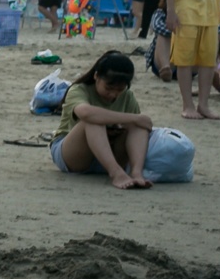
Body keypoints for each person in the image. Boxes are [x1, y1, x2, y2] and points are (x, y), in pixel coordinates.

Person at [50, 50, 153, 189]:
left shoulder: (127, 96)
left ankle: (136, 172)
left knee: (138, 126)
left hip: (109, 152)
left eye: (120, 89)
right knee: (94, 121)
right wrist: (134, 118)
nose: (113, 94)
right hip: (73, 153)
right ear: (96, 76)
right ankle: (116, 174)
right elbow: (85, 113)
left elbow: (138, 129)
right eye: (109, 88)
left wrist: (131, 123)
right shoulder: (79, 90)